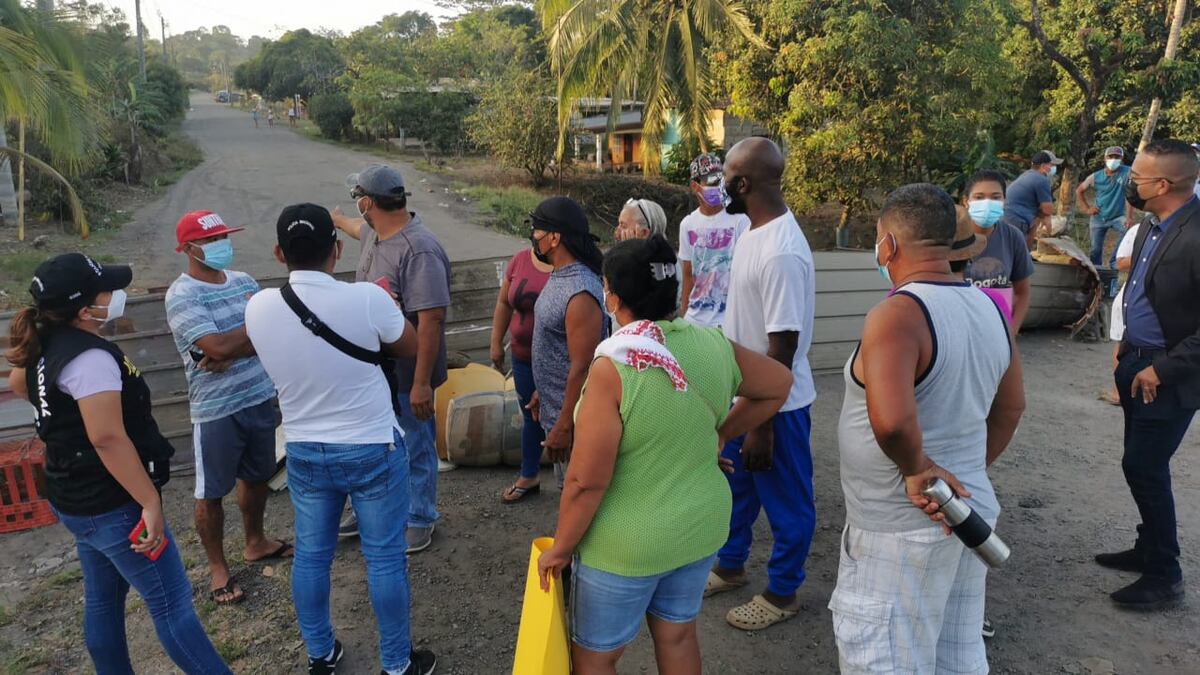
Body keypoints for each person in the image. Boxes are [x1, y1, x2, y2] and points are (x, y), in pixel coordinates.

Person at [536, 236, 793, 674]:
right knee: (677, 636)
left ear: (612, 297)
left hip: (624, 545)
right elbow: (778, 384)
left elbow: (585, 481)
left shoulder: (613, 367)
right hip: (697, 529)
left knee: (598, 656)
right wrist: (721, 434)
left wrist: (561, 547)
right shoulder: (712, 344)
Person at [830, 184, 1025, 673]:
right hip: (965, 515)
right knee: (954, 656)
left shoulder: (897, 315)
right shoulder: (990, 311)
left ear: (889, 245)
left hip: (898, 528)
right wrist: (963, 474)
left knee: (887, 657)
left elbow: (893, 421)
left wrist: (918, 470)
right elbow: (1011, 408)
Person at [6, 253, 232, 675]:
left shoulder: (47, 341)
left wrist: (62, 417)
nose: (116, 295)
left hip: (75, 497)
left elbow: (22, 383)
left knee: (103, 599)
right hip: (112, 506)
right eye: (107, 290)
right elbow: (107, 438)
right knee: (172, 605)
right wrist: (149, 502)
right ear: (85, 308)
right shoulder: (88, 360)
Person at [245, 204, 436, 675]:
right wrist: (387, 307)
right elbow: (410, 346)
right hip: (372, 446)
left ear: (277, 253)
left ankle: (321, 655)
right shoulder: (367, 298)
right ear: (337, 249)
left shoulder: (258, 306)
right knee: (385, 558)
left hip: (306, 450)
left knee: (311, 557)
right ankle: (396, 664)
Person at [706, 137, 817, 631]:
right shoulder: (754, 231)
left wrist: (763, 423)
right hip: (749, 396)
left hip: (779, 407)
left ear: (743, 182)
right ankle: (730, 567)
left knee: (788, 502)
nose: (719, 182)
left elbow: (783, 346)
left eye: (725, 173)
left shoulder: (781, 252)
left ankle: (782, 592)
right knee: (738, 489)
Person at [165, 210, 291, 607]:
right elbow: (215, 348)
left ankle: (255, 541)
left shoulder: (244, 283)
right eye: (211, 240)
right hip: (216, 409)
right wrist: (233, 343)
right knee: (211, 491)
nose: (222, 245)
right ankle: (218, 566)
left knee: (256, 477)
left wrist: (227, 348)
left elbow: (262, 333)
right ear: (188, 249)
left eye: (224, 236)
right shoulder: (182, 294)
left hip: (257, 395)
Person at [1097, 139, 1200, 609]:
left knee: (1144, 466)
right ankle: (1147, 548)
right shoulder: (1151, 229)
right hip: (1136, 363)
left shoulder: (1197, 234)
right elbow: (1139, 295)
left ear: (1163, 184)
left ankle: (1165, 573)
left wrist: (1162, 367)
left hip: (1168, 375)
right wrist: (1126, 349)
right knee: (1139, 463)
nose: (1129, 182)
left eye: (1137, 177)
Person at [332, 164, 450, 554]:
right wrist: (333, 219)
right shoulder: (374, 233)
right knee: (373, 440)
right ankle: (367, 509)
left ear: (368, 202)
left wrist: (419, 383)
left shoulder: (420, 250)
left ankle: (420, 516)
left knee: (415, 442)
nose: (357, 210)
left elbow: (431, 319)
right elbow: (353, 227)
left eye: (357, 201)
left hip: (407, 369)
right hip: (373, 368)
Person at [528, 196, 608, 489]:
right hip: (558, 410)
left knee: (581, 499)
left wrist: (564, 423)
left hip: (576, 422)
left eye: (537, 231)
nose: (533, 238)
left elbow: (584, 366)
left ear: (554, 237)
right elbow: (558, 345)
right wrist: (543, 388)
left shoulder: (580, 291)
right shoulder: (562, 276)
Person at [491, 246, 553, 504]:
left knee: (566, 417)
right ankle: (529, 474)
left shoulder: (573, 266)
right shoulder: (519, 260)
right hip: (522, 356)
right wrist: (496, 342)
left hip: (557, 360)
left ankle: (576, 483)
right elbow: (504, 302)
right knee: (530, 415)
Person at [678, 153, 750, 328]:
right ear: (695, 186)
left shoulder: (740, 220)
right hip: (695, 320)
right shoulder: (688, 224)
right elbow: (688, 274)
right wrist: (683, 316)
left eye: (720, 182)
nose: (717, 188)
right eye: (711, 183)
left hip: (729, 320)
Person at [961, 170, 1035, 332]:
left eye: (995, 197)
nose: (987, 203)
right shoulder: (951, 236)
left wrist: (1011, 333)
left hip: (997, 330)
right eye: (979, 197)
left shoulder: (1013, 237)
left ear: (1004, 200)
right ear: (966, 201)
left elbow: (1022, 293)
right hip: (958, 329)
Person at [1099, 222, 1142, 406]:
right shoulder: (1140, 229)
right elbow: (1120, 262)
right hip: (1132, 296)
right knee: (1123, 343)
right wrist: (1151, 255)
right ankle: (1119, 392)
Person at [1076, 146, 1134, 268]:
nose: (1113, 160)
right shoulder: (1095, 176)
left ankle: (1114, 262)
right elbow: (1079, 190)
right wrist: (1087, 209)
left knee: (1129, 231)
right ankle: (1096, 272)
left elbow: (1129, 195)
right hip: (1099, 217)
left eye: (1117, 157)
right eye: (1111, 157)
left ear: (1122, 159)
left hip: (1118, 216)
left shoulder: (1127, 172)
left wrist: (1129, 217)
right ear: (1105, 158)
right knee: (1095, 250)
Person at [1004, 150, 1062, 246]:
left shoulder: (1027, 175)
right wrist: (1046, 220)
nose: (1053, 168)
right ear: (1043, 166)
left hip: (1007, 216)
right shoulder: (1041, 180)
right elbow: (1047, 209)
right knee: (1016, 251)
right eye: (1051, 165)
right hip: (1017, 220)